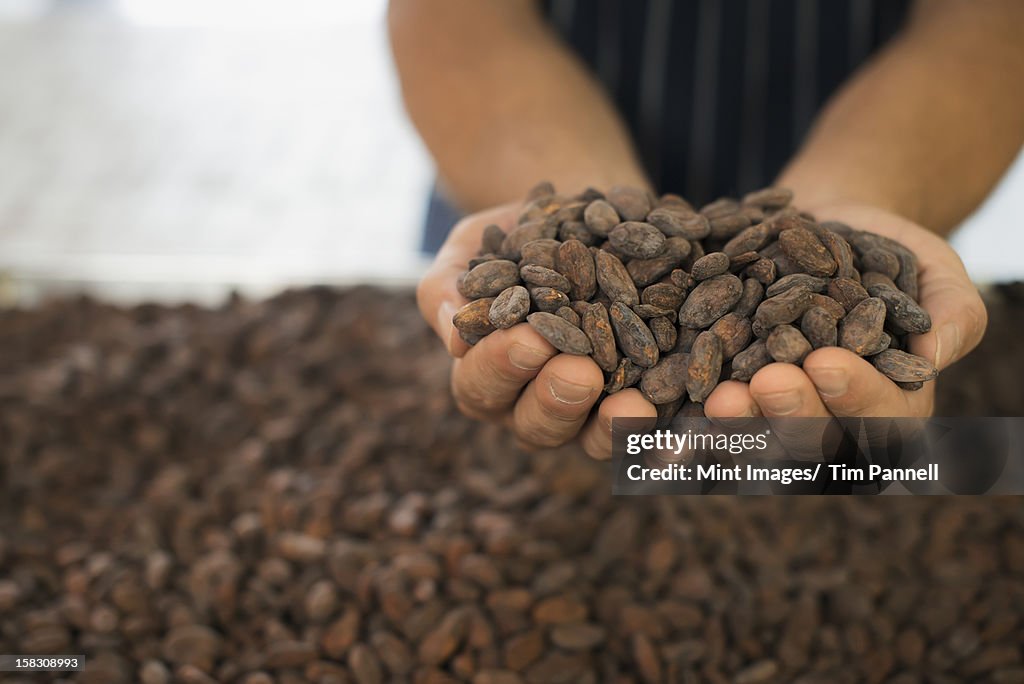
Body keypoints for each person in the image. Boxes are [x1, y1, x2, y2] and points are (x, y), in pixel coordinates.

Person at [389, 0, 1022, 459]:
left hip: (890, 122)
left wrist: (863, 193)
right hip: (526, 129)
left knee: (839, 467)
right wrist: (560, 195)